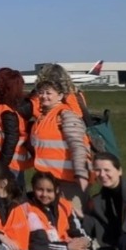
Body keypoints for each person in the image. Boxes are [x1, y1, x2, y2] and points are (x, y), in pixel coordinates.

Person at [28, 172, 98, 250]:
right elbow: (38, 244)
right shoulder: (27, 209)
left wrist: (84, 241)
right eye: (39, 189)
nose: (44, 194)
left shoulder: (65, 205)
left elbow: (77, 230)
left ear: (57, 190)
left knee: (80, 249)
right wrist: (68, 248)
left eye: (49, 190)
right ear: (33, 188)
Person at [30, 79, 91, 210]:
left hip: (69, 181)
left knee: (74, 219)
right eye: (41, 93)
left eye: (48, 93)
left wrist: (81, 174)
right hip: (50, 180)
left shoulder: (65, 115)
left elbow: (78, 145)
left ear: (60, 95)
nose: (44, 96)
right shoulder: (42, 117)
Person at [0, 68, 32, 177]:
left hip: (10, 160)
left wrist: (2, 165)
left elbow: (11, 138)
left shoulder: (7, 110)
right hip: (10, 157)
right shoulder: (6, 103)